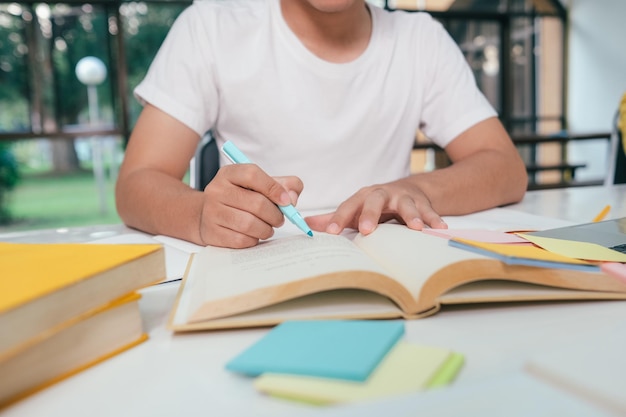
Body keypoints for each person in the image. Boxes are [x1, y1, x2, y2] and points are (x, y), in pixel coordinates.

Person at [115, 0, 528, 249]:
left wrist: (413, 189)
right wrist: (200, 215)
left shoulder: (421, 38)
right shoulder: (211, 26)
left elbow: (504, 168)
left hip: (388, 261)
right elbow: (137, 182)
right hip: (259, 262)